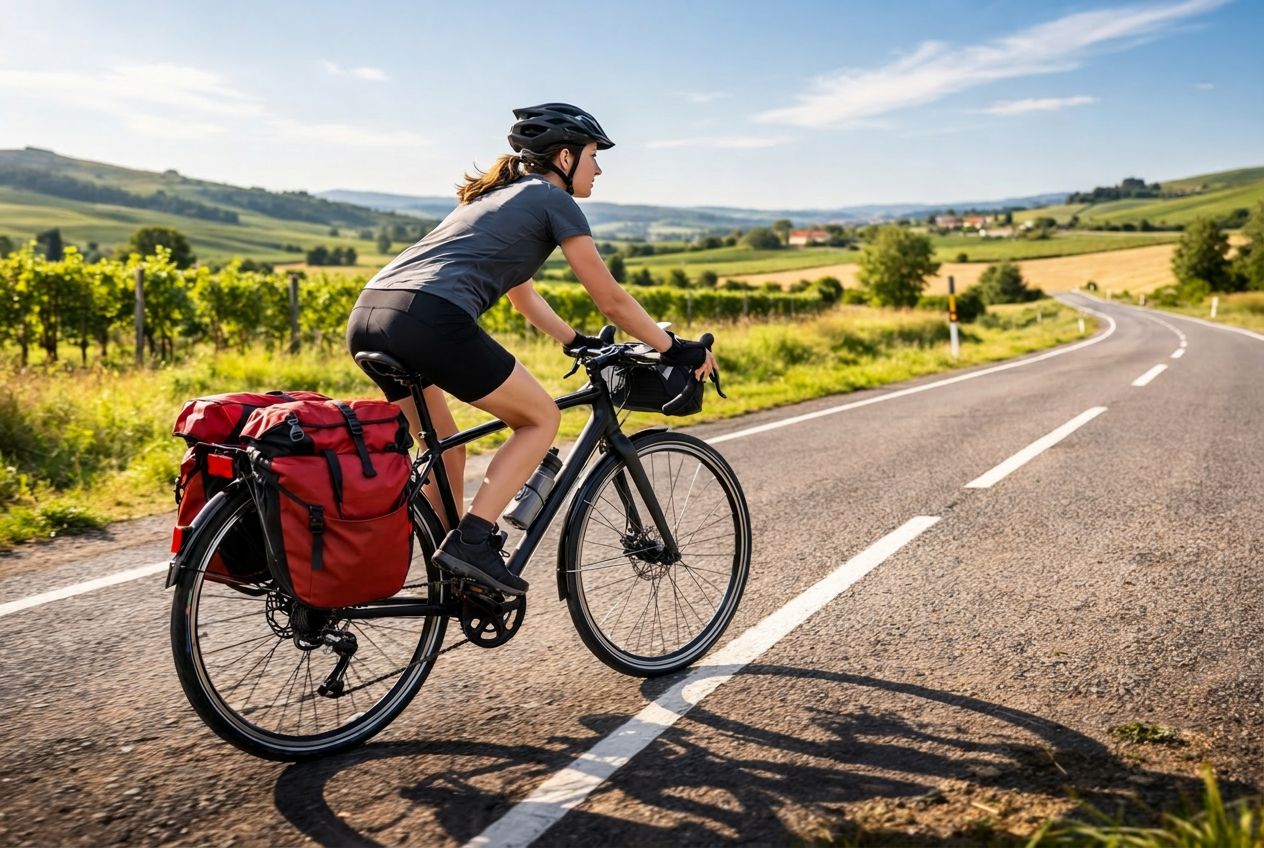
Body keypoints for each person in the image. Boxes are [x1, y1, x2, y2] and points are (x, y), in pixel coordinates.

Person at [346, 103, 715, 596]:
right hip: (429, 318)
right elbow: (611, 300)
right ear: (565, 157)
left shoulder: (496, 198)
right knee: (540, 418)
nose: (599, 169)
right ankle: (472, 543)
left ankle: (456, 575)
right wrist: (675, 348)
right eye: (593, 156)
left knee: (444, 449)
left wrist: (574, 341)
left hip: (371, 315)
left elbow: (523, 296)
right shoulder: (552, 199)